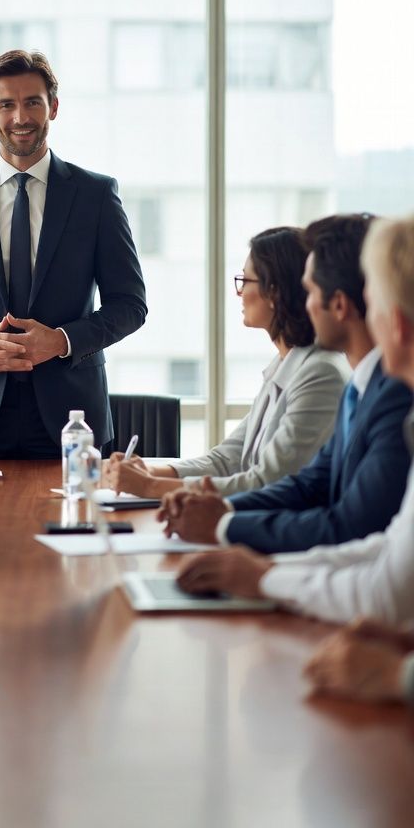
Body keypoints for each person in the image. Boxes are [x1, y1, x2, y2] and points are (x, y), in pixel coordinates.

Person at [176, 216, 414, 664]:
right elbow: (313, 484)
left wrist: (245, 553)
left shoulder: (388, 395)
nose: (302, 305)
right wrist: (220, 514)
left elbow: (353, 528)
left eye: (378, 300)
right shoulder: (363, 388)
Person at [0, 50, 147, 458]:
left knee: (75, 522)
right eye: (7, 105)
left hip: (72, 419)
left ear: (53, 106)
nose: (21, 117)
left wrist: (61, 341)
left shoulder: (96, 195)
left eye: (33, 101)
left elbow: (130, 305)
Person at [107, 227, 347, 499]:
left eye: (246, 280)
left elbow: (268, 481)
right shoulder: (285, 365)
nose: (239, 292)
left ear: (275, 291)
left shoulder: (320, 373)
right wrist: (151, 472)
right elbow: (225, 460)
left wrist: (151, 487)